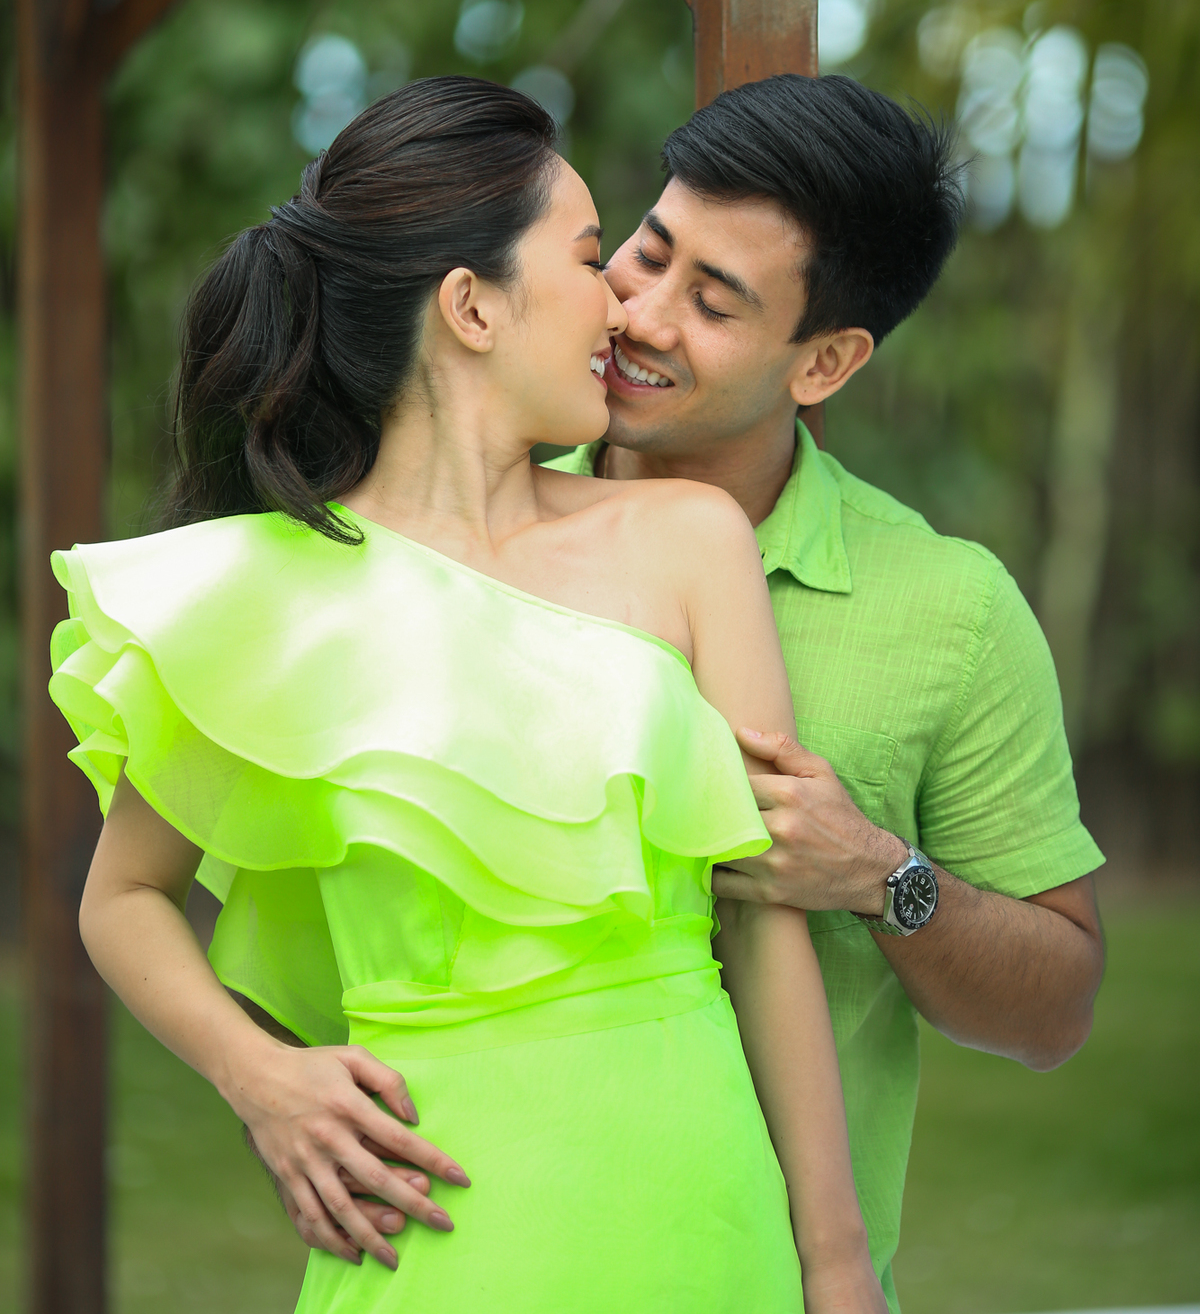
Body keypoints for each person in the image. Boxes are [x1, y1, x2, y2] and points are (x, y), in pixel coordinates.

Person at [51, 80, 886, 1314]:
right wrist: (258, 1077)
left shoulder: (692, 540)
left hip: (704, 1216)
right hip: (436, 1230)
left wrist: (836, 1261)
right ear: (472, 304)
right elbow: (122, 897)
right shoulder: (269, 592)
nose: (623, 305)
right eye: (593, 258)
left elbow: (767, 928)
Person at [310, 72, 1106, 1310]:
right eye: (646, 250)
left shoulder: (953, 612)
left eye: (714, 300)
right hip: (470, 1255)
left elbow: (1055, 1007)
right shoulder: (445, 533)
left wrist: (882, 875)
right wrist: (269, 1076)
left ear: (825, 361)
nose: (640, 312)